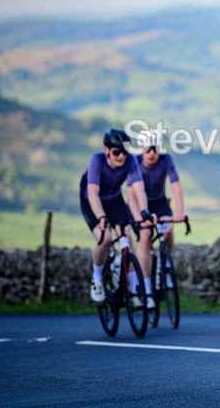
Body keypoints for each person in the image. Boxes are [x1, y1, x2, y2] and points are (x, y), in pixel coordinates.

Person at [80, 128, 156, 306]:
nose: (121, 156)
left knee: (127, 238)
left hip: (114, 199)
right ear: (106, 150)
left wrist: (144, 211)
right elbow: (92, 194)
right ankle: (97, 278)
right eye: (116, 152)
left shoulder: (130, 161)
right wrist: (101, 218)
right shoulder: (96, 161)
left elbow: (139, 188)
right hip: (93, 202)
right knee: (105, 238)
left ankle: (134, 288)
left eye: (124, 151)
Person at [127, 130, 185, 307]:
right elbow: (131, 195)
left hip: (159, 203)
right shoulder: (134, 162)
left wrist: (180, 212)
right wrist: (140, 219)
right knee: (144, 238)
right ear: (141, 150)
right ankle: (146, 289)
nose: (152, 153)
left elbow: (176, 187)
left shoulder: (166, 160)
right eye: (148, 149)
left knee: (168, 230)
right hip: (138, 205)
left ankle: (166, 264)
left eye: (155, 149)